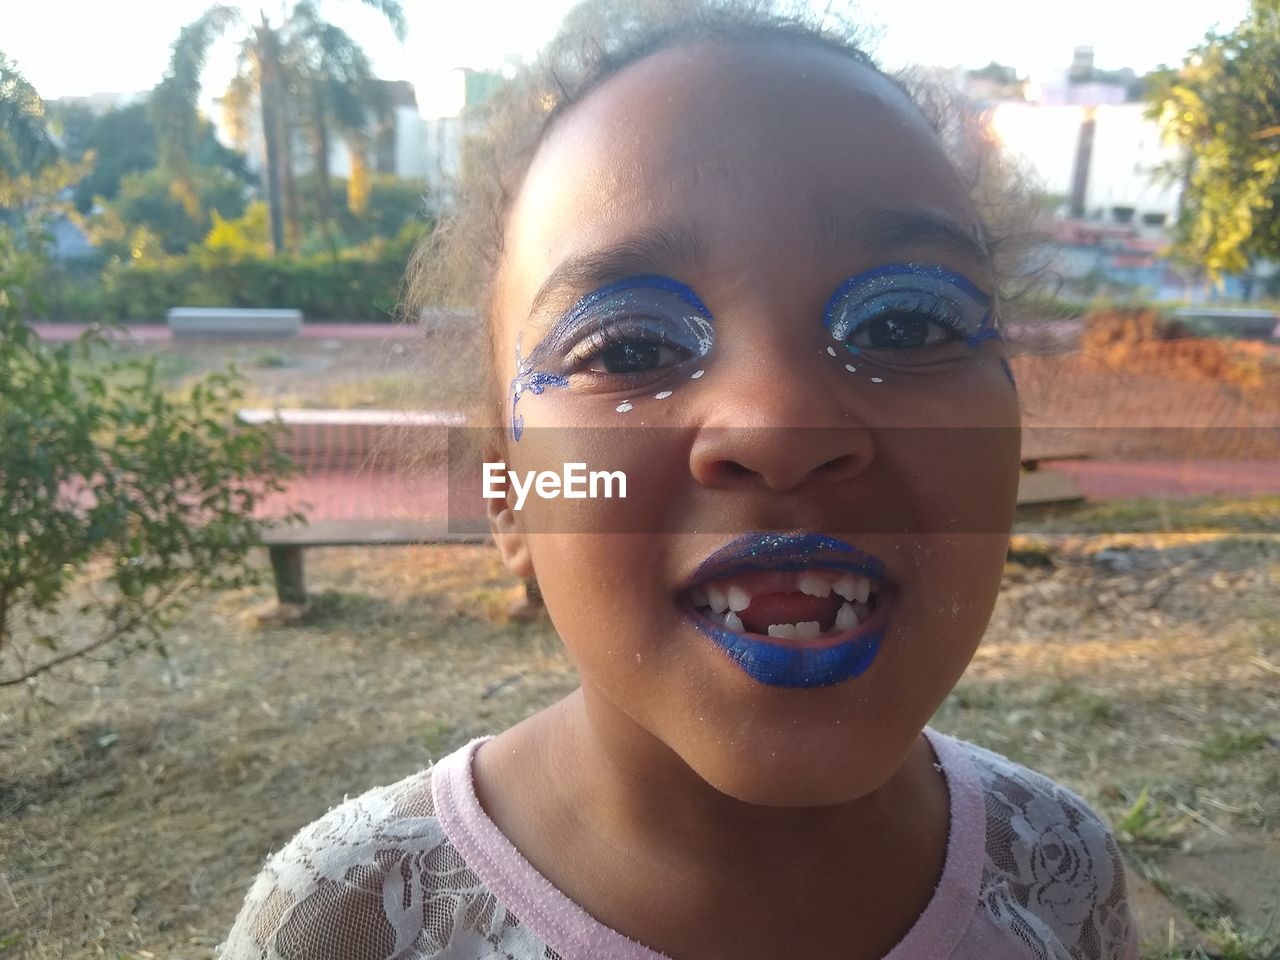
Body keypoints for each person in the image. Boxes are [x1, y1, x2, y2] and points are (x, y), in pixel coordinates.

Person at [218, 4, 1138, 958]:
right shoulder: (351, 919)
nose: (781, 428)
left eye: (905, 326)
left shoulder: (1063, 874)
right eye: (631, 346)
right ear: (506, 493)